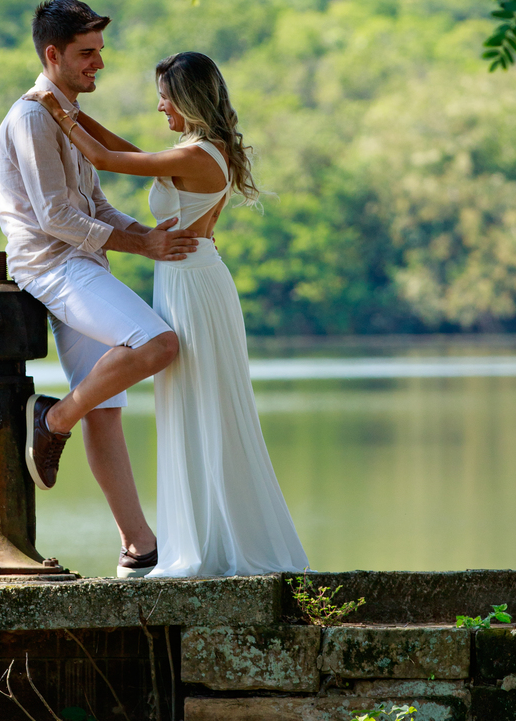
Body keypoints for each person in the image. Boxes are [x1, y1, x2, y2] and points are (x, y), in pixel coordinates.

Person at [30, 50, 309, 578]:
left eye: (165, 97)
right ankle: (202, 532)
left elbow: (110, 161)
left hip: (194, 285)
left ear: (186, 99)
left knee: (201, 403)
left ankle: (212, 542)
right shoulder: (197, 150)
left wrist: (55, 108)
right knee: (189, 403)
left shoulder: (200, 154)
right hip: (189, 279)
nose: (160, 106)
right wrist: (71, 109)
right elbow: (132, 152)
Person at [0, 0, 201, 578]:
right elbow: (57, 216)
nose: (98, 66)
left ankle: (139, 549)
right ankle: (55, 420)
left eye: (100, 53)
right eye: (87, 55)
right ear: (52, 54)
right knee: (159, 345)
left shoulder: (66, 115)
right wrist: (142, 246)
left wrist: (143, 233)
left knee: (105, 408)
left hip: (83, 263)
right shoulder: (34, 116)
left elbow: (95, 203)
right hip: (54, 267)